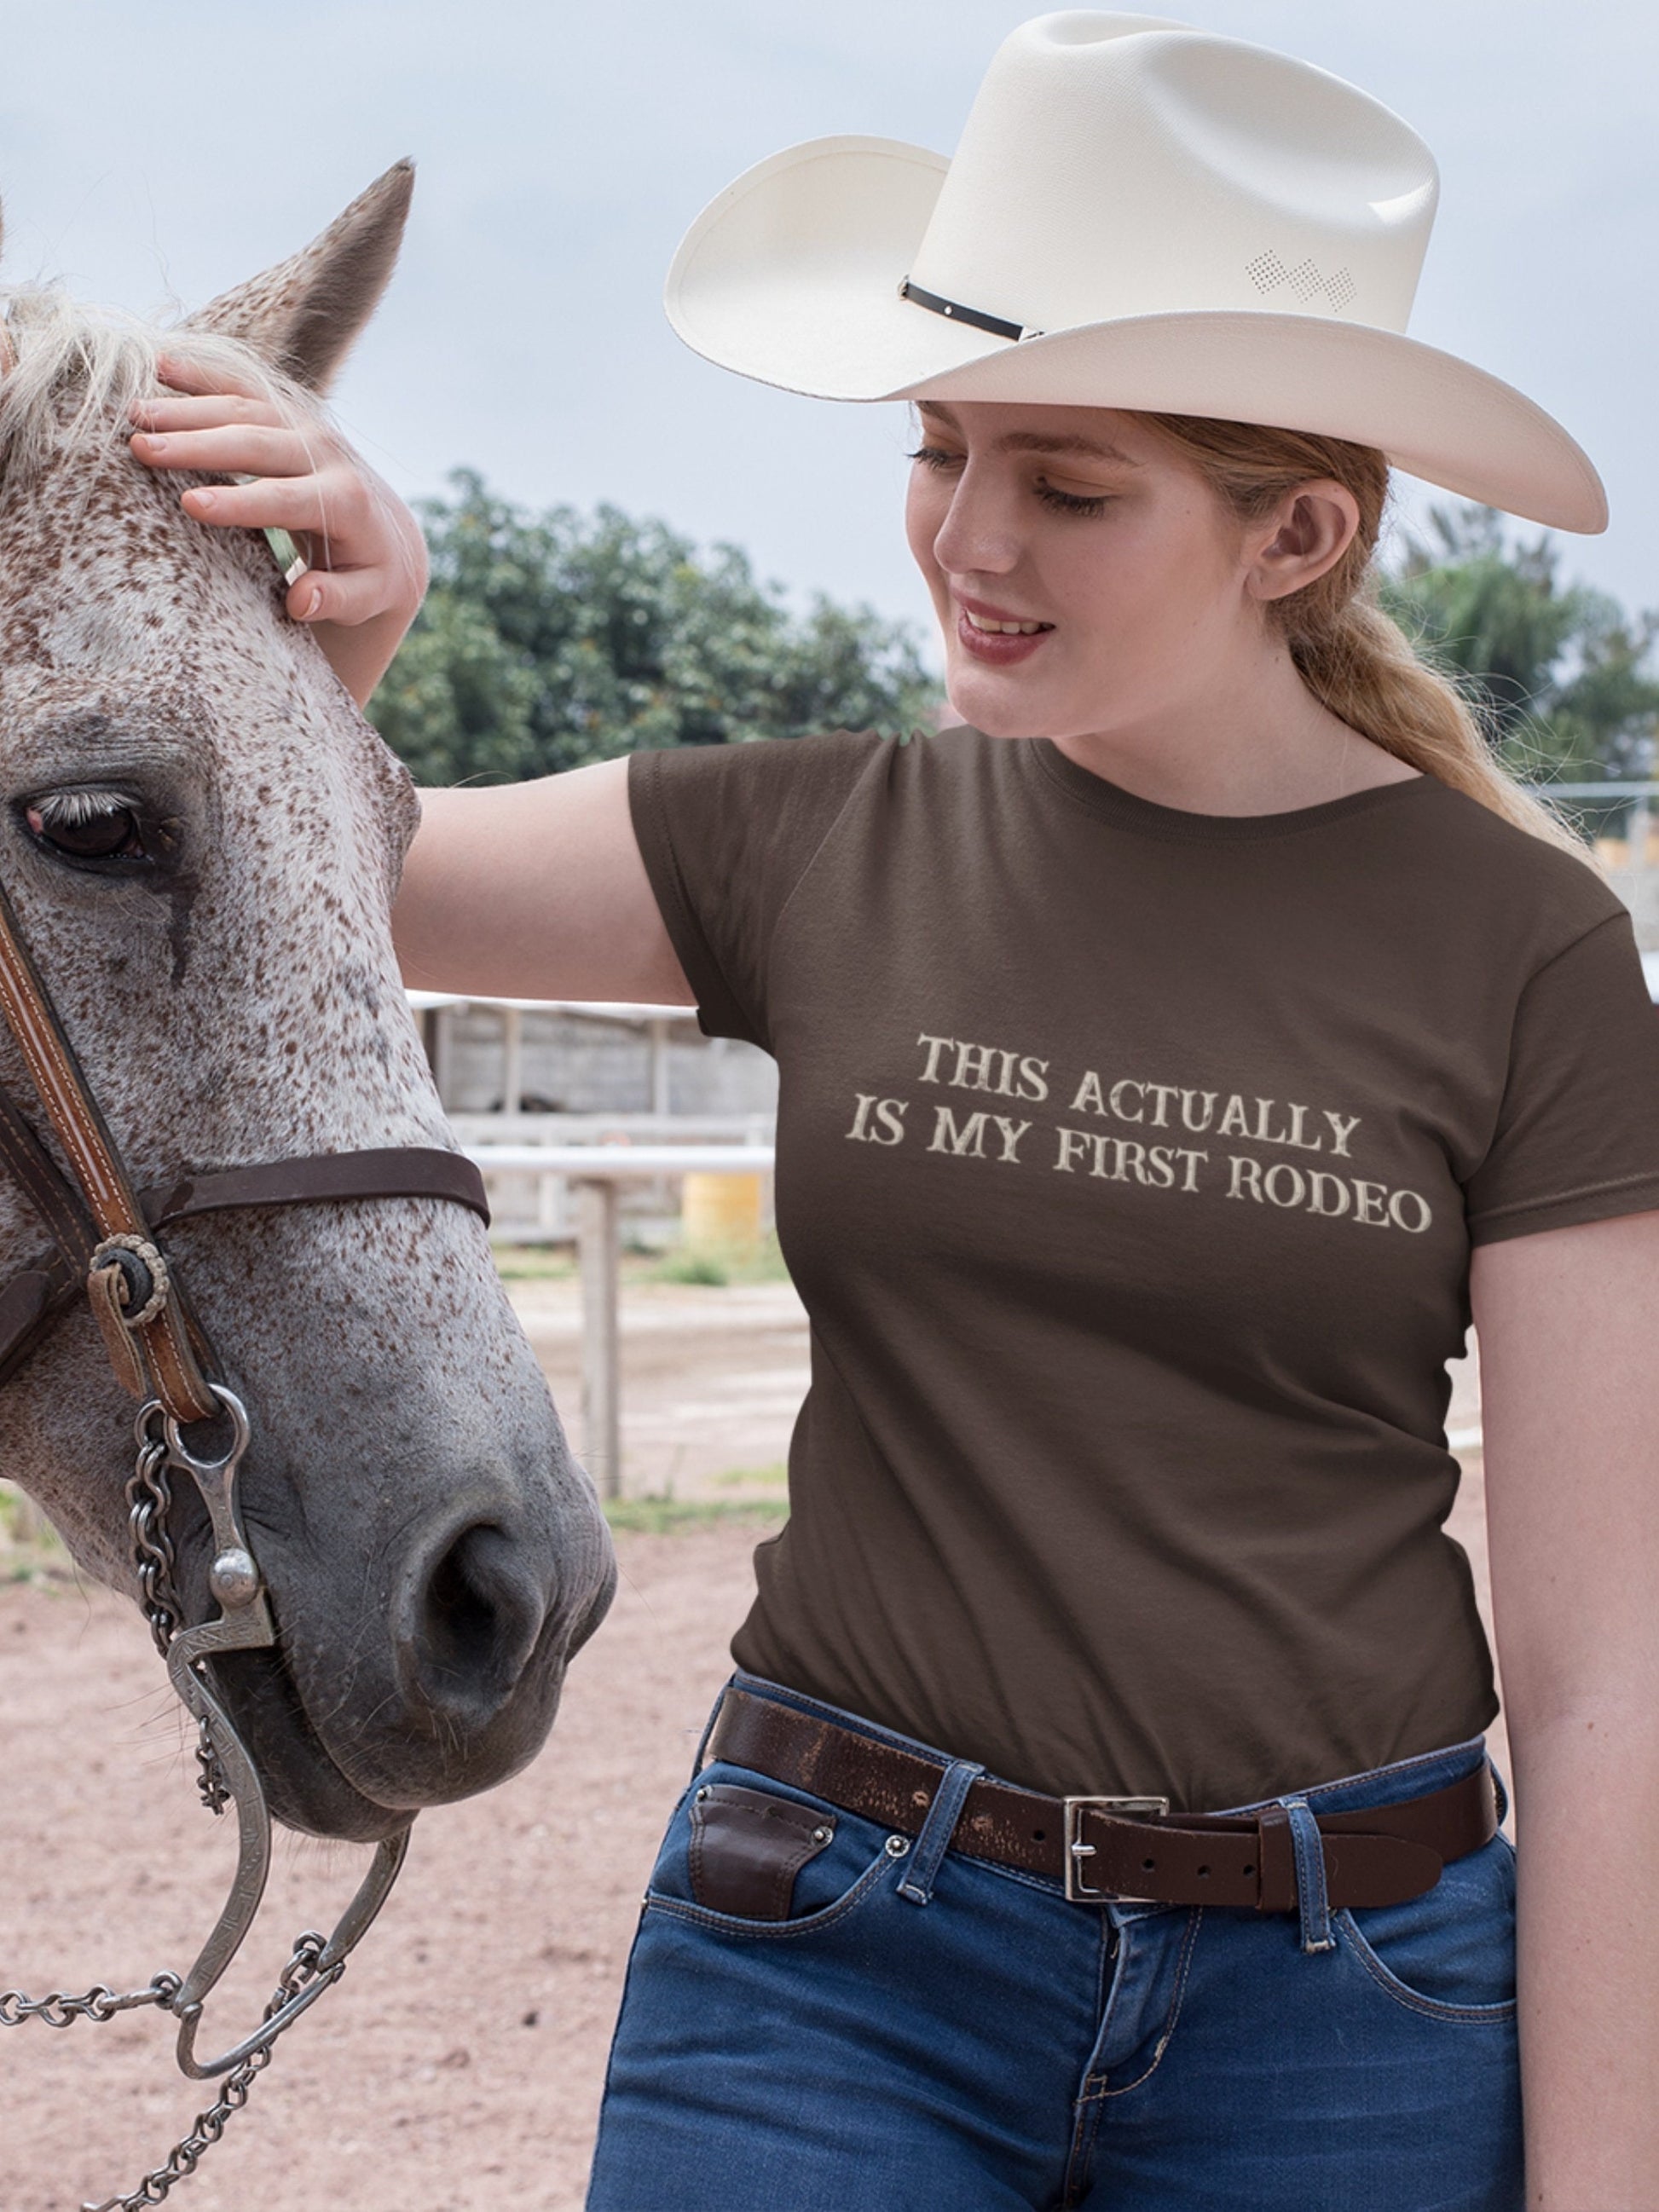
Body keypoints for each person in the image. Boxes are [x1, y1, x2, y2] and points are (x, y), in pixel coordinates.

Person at [130, 17, 1659, 2210]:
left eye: (1072, 481)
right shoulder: (813, 839)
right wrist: (352, 626)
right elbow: (284, 875)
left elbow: (1605, 1678)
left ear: (1295, 530)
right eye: (943, 445)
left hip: (1351, 2007)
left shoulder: (1522, 949)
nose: (967, 532)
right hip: (830, 1953)